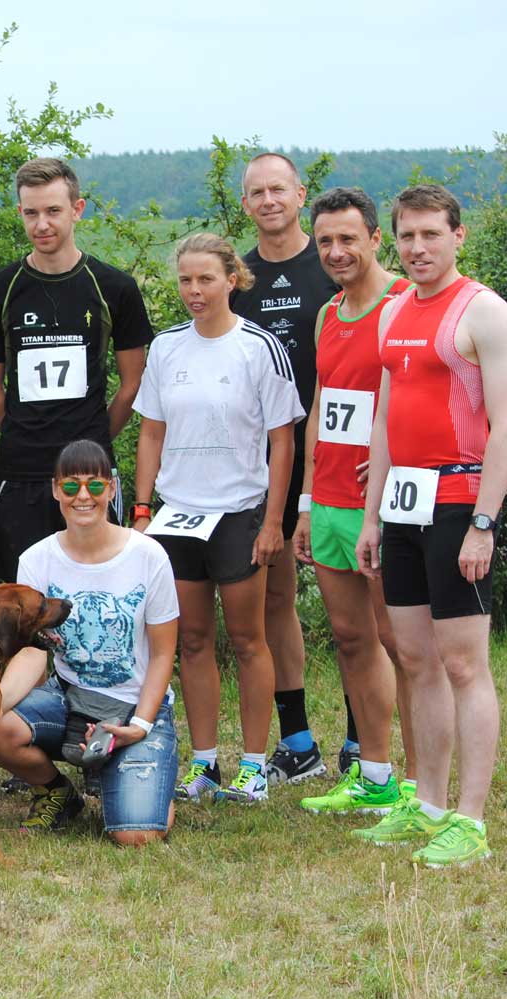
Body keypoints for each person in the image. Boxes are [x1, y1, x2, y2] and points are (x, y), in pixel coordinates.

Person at [353, 184, 507, 868]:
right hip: (404, 508)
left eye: (430, 234)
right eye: (406, 236)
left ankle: (470, 820)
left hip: (459, 501)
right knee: (416, 658)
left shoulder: (483, 310)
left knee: (461, 662)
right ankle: (426, 805)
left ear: (459, 235)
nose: (417, 248)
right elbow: (386, 419)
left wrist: (485, 520)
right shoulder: (393, 310)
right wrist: (372, 514)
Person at [133, 233, 303, 805]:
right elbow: (151, 431)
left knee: (250, 639)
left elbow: (283, 441)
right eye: (185, 280)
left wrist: (273, 518)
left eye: (206, 279)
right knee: (193, 640)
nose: (194, 291)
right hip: (178, 514)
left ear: (233, 278)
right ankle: (204, 763)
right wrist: (140, 510)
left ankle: (254, 764)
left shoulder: (259, 346)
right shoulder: (166, 348)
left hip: (239, 512)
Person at [293, 187, 416, 816]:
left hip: (388, 503)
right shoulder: (327, 312)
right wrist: (309, 501)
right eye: (325, 242)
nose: (337, 252)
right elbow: (322, 407)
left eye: (348, 238)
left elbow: (428, 393)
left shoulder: (406, 301)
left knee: (402, 641)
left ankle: (422, 786)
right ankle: (376, 773)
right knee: (350, 638)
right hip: (334, 498)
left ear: (375, 237)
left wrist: (398, 451)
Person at [0, 440, 181, 843]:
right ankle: (58, 793)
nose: (83, 497)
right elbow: (31, 652)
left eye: (94, 486)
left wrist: (142, 725)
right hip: (67, 698)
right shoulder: (36, 559)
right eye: (71, 486)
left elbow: (164, 652)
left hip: (133, 706)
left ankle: (133, 771)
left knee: (137, 836)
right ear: (56, 489)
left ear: (112, 489)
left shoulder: (149, 556)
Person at [0, 158, 153, 580]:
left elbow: (132, 385)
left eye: (53, 211)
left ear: (77, 209)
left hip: (91, 468)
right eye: (31, 213)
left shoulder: (114, 288)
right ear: (20, 213)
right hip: (21, 471)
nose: (42, 224)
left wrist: (94, 437)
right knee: (21, 598)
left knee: (102, 583)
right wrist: (22, 432)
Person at [229, 153, 341, 784]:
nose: (269, 200)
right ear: (245, 203)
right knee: (276, 603)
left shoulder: (329, 264)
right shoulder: (237, 276)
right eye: (256, 192)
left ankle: (361, 742)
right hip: (263, 459)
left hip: (331, 454)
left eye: (279, 189)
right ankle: (297, 741)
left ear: (301, 193)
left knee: (352, 605)